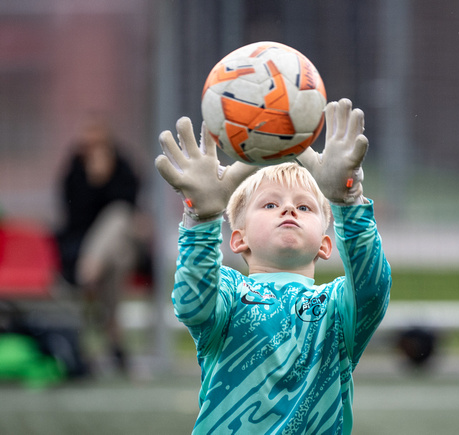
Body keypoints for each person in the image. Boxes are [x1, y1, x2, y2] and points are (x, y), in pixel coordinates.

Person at [155, 98, 391, 434]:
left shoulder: (337, 307)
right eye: (269, 204)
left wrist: (347, 201)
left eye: (305, 207)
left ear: (325, 245)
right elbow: (192, 305)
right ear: (238, 239)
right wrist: (202, 220)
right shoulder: (229, 292)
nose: (289, 210)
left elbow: (373, 288)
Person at [55, 115, 141, 374]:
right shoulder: (73, 173)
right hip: (87, 250)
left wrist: (106, 178)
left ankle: (92, 264)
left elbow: (129, 209)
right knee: (114, 260)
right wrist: (92, 182)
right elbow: (74, 218)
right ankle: (116, 345)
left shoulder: (123, 168)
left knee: (118, 218)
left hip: (105, 253)